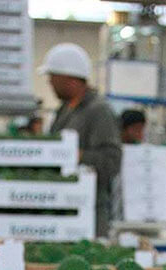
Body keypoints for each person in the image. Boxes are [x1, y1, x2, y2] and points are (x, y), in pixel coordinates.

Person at [39, 43, 122, 237]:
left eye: (53, 77)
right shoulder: (65, 110)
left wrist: (73, 155)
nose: (50, 82)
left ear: (70, 78)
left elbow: (112, 161)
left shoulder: (99, 111)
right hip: (62, 210)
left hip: (88, 216)